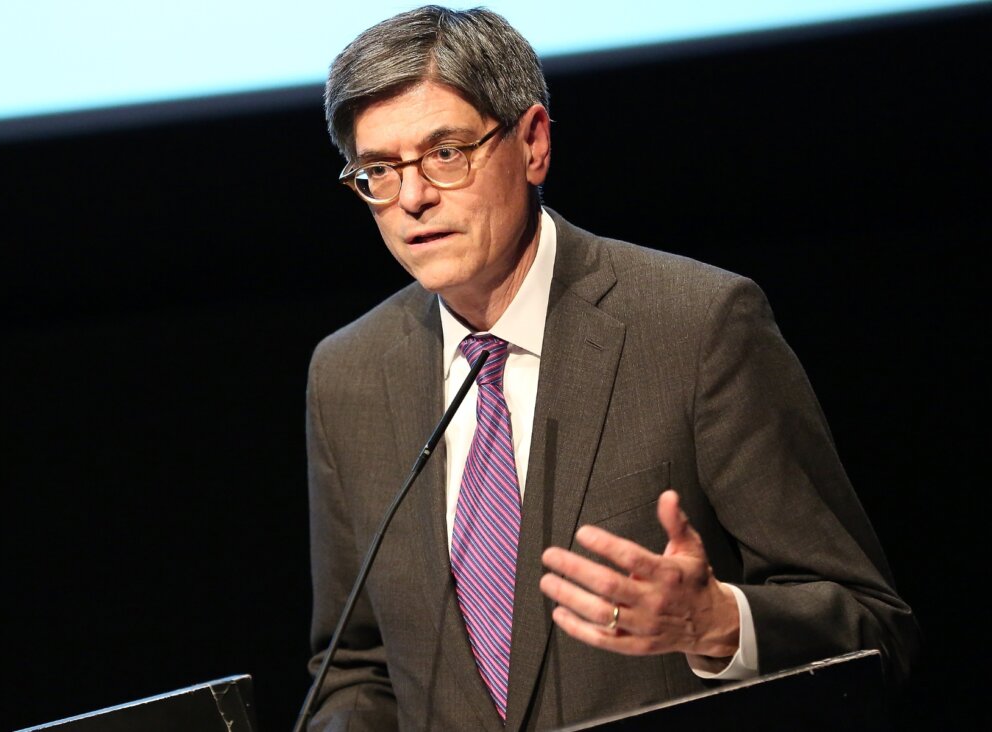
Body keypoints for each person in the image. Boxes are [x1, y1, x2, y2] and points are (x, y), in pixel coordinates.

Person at [303, 5, 919, 731]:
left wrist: (719, 623)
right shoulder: (347, 375)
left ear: (533, 143)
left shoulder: (696, 326)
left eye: (445, 154)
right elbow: (355, 669)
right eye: (379, 169)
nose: (412, 199)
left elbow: (872, 626)